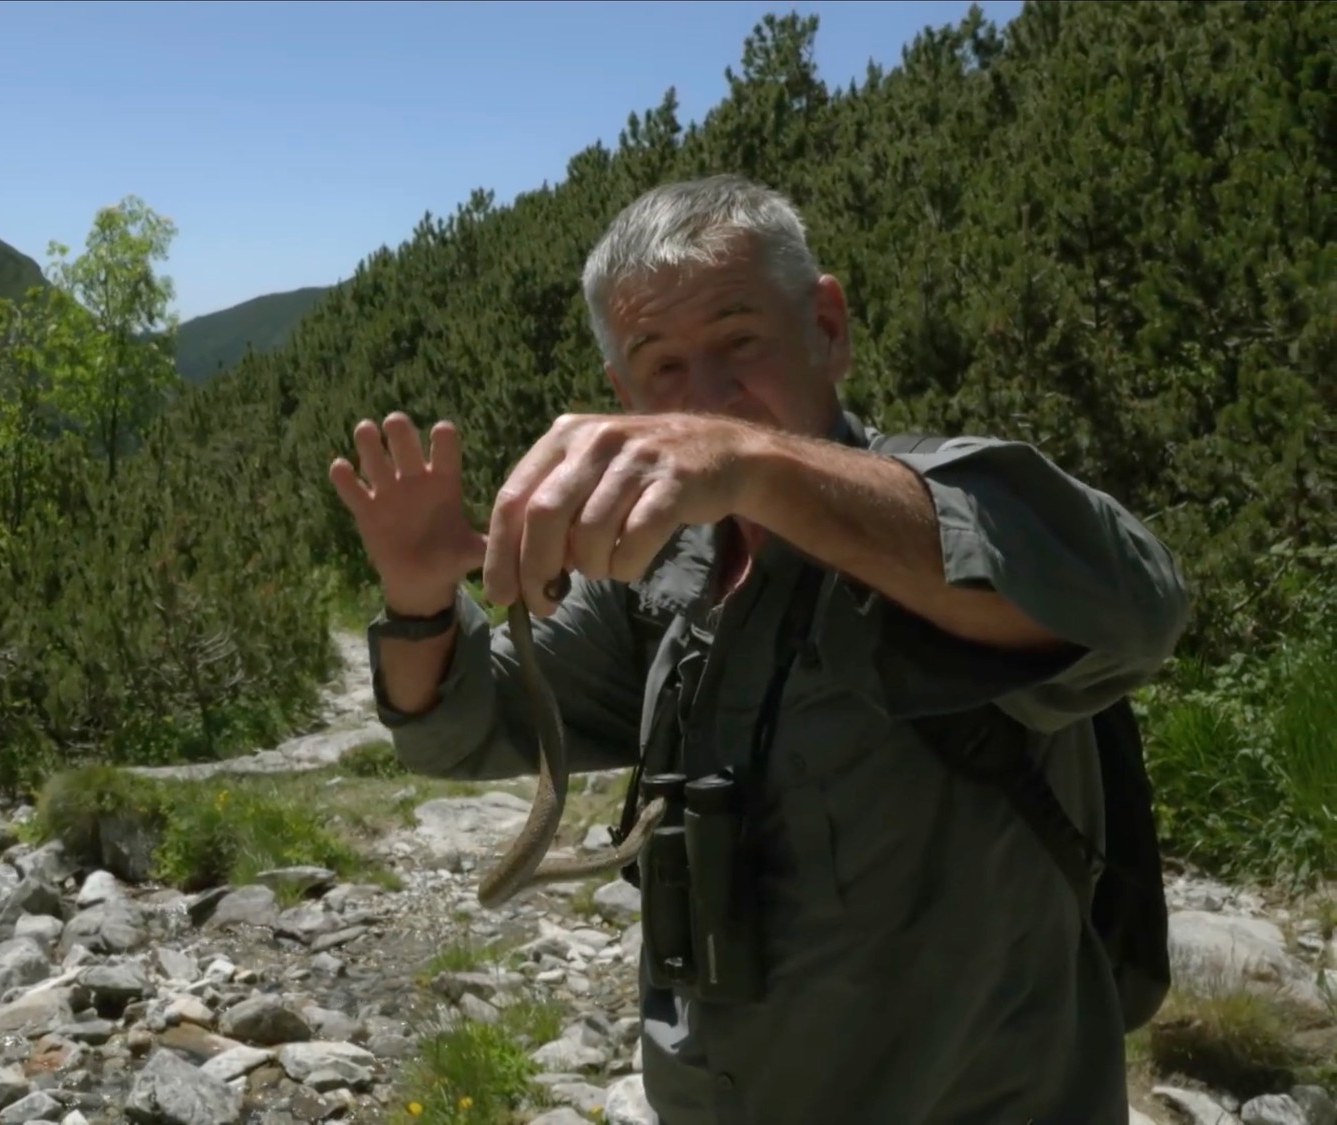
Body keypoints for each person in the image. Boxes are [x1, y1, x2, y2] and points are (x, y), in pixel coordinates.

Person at [328, 173, 1189, 1125]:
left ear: (827, 326)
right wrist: (419, 602)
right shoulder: (658, 581)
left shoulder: (934, 513)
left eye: (741, 340)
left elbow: (1137, 606)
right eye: (661, 367)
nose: (706, 401)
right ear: (621, 394)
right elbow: (458, 730)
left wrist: (752, 467)